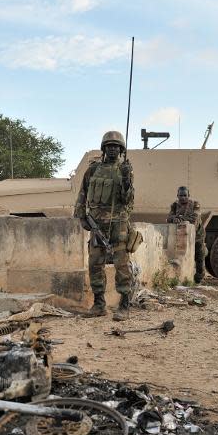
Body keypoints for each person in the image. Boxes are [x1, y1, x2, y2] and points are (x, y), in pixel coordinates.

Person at [73, 130, 135, 321]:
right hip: (97, 224)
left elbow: (128, 200)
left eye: (116, 146)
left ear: (121, 149)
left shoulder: (125, 170)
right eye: (109, 146)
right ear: (104, 148)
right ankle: (99, 305)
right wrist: (81, 215)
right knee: (95, 264)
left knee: (122, 266)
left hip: (118, 226)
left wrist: (126, 180)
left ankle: (124, 306)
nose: (112, 149)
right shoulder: (93, 169)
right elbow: (82, 193)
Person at [167, 186, 207, 283]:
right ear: (177, 195)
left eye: (185, 195)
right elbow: (169, 217)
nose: (183, 197)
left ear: (188, 195)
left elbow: (195, 218)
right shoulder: (174, 205)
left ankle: (199, 278)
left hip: (197, 235)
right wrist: (174, 219)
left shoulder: (194, 205)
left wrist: (181, 219)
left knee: (199, 256)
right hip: (183, 235)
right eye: (181, 195)